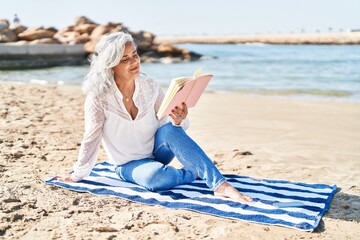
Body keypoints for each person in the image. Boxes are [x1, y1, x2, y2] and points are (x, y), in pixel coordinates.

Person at [56, 32, 252, 203]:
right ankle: (193, 172)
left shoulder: (149, 85)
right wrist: (78, 174)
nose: (134, 61)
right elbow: (91, 137)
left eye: (135, 55)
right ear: (110, 66)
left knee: (170, 129)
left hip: (158, 151)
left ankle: (220, 186)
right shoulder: (98, 98)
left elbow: (170, 126)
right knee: (155, 178)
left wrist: (178, 119)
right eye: (125, 59)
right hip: (129, 164)